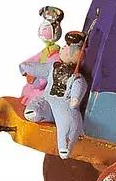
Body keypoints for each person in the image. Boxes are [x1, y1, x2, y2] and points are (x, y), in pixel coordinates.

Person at [19, 31, 88, 159]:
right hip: (48, 99)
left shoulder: (76, 77)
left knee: (67, 120)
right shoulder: (53, 67)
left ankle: (64, 145)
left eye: (67, 47)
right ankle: (36, 112)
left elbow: (79, 86)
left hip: (64, 105)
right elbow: (40, 68)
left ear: (78, 54)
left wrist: (75, 99)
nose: (63, 48)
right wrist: (26, 67)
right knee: (38, 104)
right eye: (65, 45)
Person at [19, 6, 63, 105]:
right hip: (36, 78)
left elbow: (50, 72)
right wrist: (25, 68)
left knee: (38, 96)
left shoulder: (55, 55)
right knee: (27, 90)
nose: (42, 30)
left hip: (45, 84)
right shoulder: (45, 51)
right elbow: (34, 59)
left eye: (46, 28)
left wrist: (38, 81)